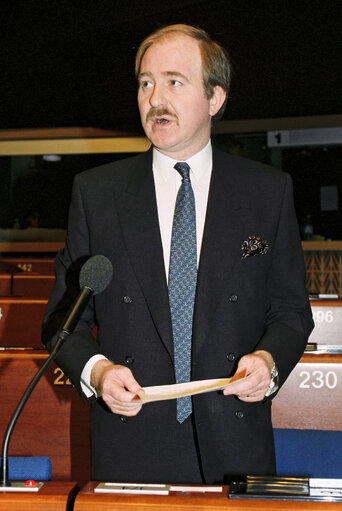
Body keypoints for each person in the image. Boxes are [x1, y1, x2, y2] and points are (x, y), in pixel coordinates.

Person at [42, 24, 314, 484]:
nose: (155, 98)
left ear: (214, 98)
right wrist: (99, 371)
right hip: (130, 441)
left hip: (237, 442)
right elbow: (62, 321)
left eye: (173, 81)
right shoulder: (96, 193)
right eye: (146, 83)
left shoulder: (267, 192)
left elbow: (290, 311)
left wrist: (268, 363)